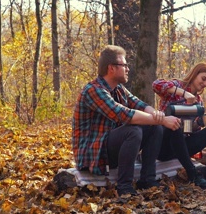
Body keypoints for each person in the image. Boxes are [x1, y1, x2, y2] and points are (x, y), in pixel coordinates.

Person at [72, 45, 181, 196]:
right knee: (133, 130)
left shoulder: (119, 89)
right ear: (111, 68)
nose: (128, 69)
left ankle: (147, 180)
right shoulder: (93, 90)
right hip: (93, 154)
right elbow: (124, 114)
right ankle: (124, 186)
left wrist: (158, 116)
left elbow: (138, 104)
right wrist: (162, 120)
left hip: (109, 148)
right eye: (124, 65)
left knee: (154, 127)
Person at [152, 63, 206, 187]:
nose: (205, 83)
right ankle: (193, 174)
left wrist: (199, 123)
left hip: (183, 146)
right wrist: (184, 94)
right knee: (174, 124)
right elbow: (156, 85)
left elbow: (190, 129)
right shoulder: (177, 85)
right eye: (203, 78)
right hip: (164, 145)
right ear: (195, 74)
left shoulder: (199, 101)